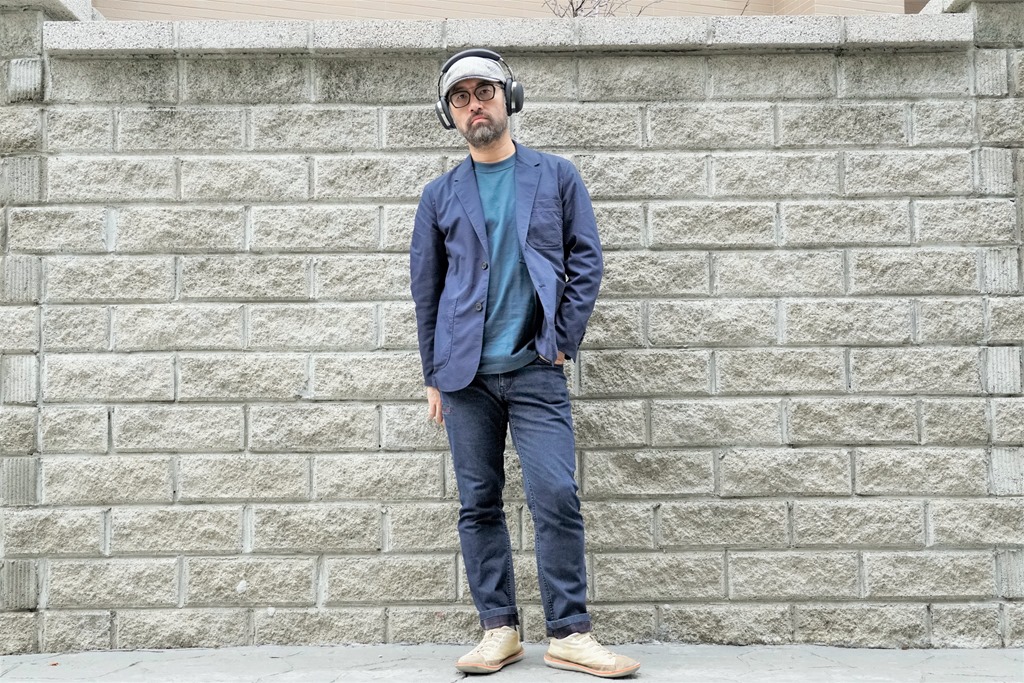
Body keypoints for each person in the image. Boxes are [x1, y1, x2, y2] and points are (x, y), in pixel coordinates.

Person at [409, 48, 641, 679]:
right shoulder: (438, 195)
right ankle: (499, 630)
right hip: (464, 378)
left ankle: (570, 633)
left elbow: (586, 261)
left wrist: (562, 337)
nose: (474, 105)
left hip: (536, 367)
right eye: (460, 98)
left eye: (484, 91)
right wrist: (432, 375)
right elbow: (427, 290)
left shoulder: (556, 176)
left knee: (556, 495)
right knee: (478, 503)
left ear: (508, 98)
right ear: (450, 115)